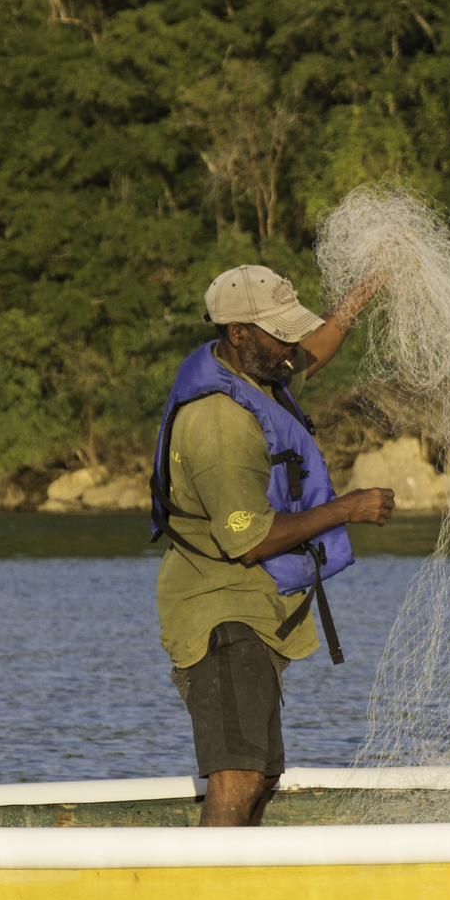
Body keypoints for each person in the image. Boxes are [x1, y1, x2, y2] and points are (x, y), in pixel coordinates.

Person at [150, 265, 395, 826]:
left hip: (253, 610)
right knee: (237, 775)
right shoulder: (218, 423)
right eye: (280, 333)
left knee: (261, 776)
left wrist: (368, 286)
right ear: (239, 333)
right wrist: (347, 509)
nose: (292, 346)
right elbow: (251, 540)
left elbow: (319, 344)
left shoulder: (260, 370)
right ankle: (210, 898)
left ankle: (238, 892)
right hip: (220, 614)